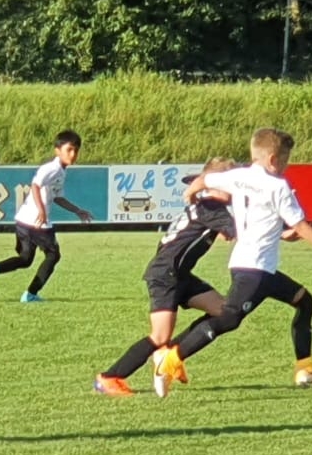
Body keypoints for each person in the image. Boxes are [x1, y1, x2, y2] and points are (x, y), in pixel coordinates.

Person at [154, 128, 312, 391]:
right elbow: (302, 226)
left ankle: (305, 368)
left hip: (254, 266)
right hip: (255, 270)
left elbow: (204, 180)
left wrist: (191, 195)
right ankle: (170, 358)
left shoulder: (238, 176)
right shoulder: (278, 186)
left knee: (304, 300)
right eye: (285, 161)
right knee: (229, 319)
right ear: (273, 159)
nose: (286, 167)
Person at [95, 158, 237, 398]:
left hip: (179, 274)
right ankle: (109, 378)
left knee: (223, 311)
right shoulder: (212, 207)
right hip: (165, 274)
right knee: (159, 335)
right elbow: (240, 232)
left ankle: (170, 353)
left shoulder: (207, 206)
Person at [0, 130, 94, 302]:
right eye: (69, 149)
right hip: (37, 221)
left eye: (76, 150)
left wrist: (77, 210)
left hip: (23, 220)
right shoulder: (52, 168)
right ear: (57, 150)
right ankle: (31, 294)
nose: (73, 154)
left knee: (25, 259)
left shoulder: (60, 171)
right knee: (53, 255)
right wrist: (41, 210)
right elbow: (35, 185)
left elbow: (58, 197)